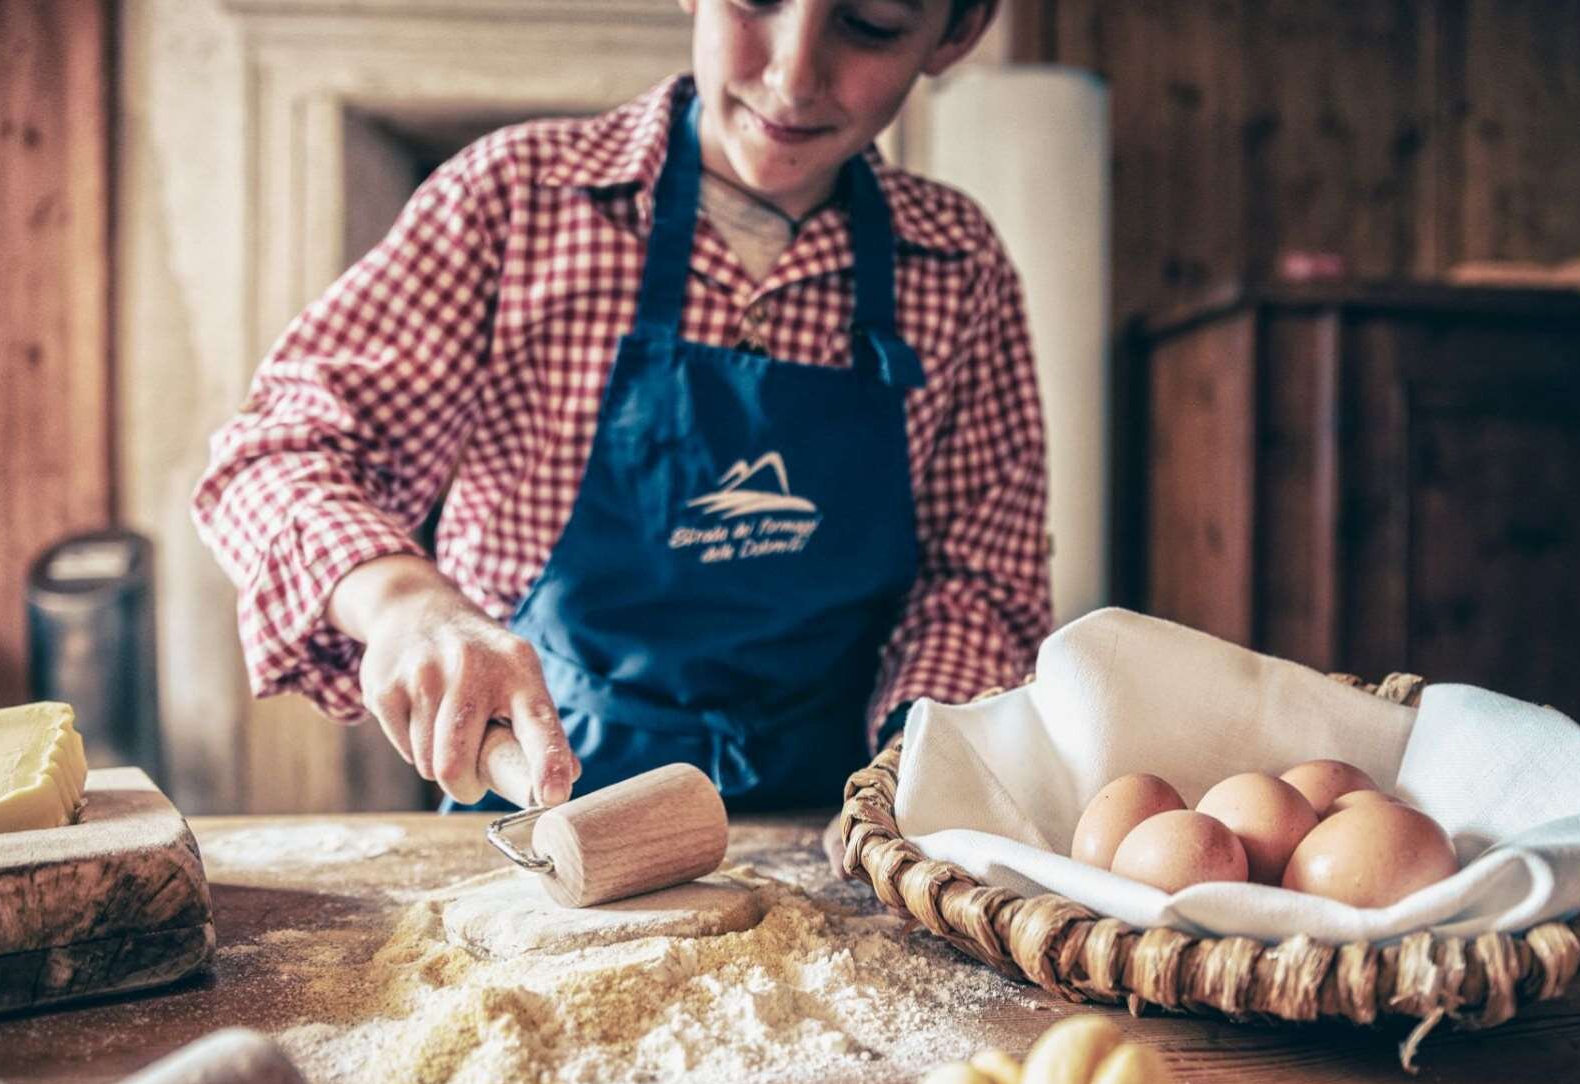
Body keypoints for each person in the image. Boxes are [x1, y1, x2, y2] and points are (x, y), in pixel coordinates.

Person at [193, 0, 1052, 816]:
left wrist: (911, 773)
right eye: (757, 2)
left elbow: (979, 582)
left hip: (838, 817)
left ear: (955, 32)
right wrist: (404, 602)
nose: (794, 76)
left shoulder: (954, 264)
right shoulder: (518, 202)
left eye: (870, 25)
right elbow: (273, 455)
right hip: (544, 803)